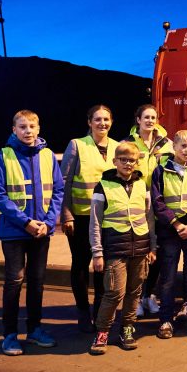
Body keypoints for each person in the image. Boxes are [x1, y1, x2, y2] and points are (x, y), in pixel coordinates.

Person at [0, 110, 64, 356]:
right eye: (22, 127)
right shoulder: (4, 156)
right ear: (14, 130)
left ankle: (35, 330)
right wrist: (26, 223)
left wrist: (48, 222)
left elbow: (58, 191)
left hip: (41, 232)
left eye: (32, 126)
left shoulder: (48, 156)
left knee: (37, 282)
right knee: (14, 281)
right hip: (14, 232)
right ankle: (10, 335)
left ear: (39, 129)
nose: (28, 131)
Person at [88, 142, 157, 355]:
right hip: (115, 247)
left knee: (134, 292)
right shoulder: (103, 186)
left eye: (132, 160)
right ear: (115, 161)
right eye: (123, 160)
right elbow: (95, 222)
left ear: (137, 162)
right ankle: (102, 332)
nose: (128, 164)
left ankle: (127, 328)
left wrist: (152, 246)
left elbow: (149, 217)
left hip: (140, 247)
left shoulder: (142, 185)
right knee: (114, 293)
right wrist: (97, 252)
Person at [61, 105, 119, 332]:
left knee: (103, 266)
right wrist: (66, 214)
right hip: (81, 217)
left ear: (111, 122)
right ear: (89, 122)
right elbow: (63, 182)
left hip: (108, 219)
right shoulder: (77, 145)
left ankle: (100, 312)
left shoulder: (116, 147)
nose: (102, 123)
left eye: (106, 119)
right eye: (97, 119)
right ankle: (83, 312)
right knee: (81, 264)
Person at [150, 130, 187, 339]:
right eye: (183, 146)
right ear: (174, 147)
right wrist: (176, 224)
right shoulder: (160, 171)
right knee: (167, 278)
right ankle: (166, 319)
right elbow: (157, 202)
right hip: (170, 231)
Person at [124, 104, 173, 318]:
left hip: (160, 204)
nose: (150, 121)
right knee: (138, 253)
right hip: (135, 203)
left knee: (157, 253)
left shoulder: (167, 144)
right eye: (146, 117)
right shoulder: (127, 143)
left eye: (153, 117)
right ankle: (134, 299)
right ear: (138, 120)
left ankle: (149, 296)